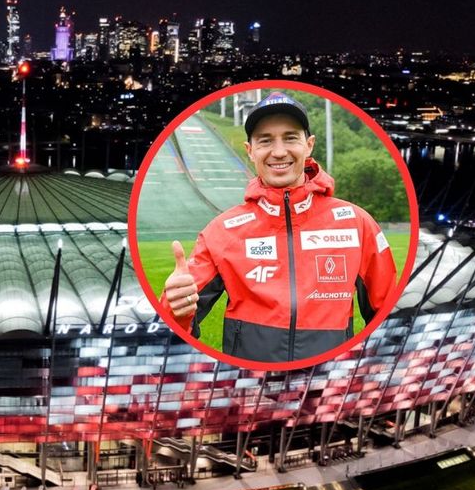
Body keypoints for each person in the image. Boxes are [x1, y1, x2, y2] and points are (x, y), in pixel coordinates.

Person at [160, 91, 398, 363]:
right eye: (265, 140)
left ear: (309, 145)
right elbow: (172, 334)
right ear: (250, 151)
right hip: (251, 394)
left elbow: (390, 325)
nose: (279, 151)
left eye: (290, 137)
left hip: (328, 393)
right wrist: (176, 308)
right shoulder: (222, 231)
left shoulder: (357, 224)